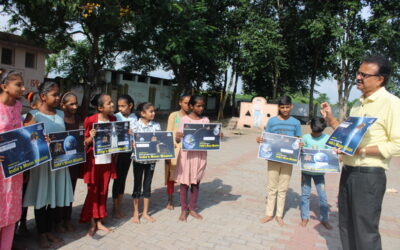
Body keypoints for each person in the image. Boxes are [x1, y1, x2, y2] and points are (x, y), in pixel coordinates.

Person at [320, 55, 400, 250]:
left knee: (365, 232)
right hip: (348, 172)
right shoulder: (358, 104)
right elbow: (347, 137)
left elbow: (397, 144)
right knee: (345, 225)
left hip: (369, 176)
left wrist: (361, 150)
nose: (358, 77)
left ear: (380, 79)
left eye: (364, 74)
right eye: (358, 72)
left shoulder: (392, 103)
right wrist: (331, 119)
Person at [23, 81, 74, 248]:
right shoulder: (34, 115)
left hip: (59, 163)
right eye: (55, 94)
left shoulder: (60, 113)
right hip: (42, 165)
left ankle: (49, 230)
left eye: (59, 94)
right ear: (43, 97)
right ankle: (41, 233)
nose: (58, 97)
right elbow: (27, 139)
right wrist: (40, 139)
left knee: (53, 196)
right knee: (42, 197)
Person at [257, 95, 301, 226]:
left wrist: (300, 144)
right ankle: (269, 214)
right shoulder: (272, 122)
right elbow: (266, 138)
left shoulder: (296, 123)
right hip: (273, 159)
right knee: (272, 187)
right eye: (282, 107)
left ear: (291, 106)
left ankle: (279, 215)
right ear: (278, 107)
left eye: (287, 107)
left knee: (283, 189)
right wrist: (259, 140)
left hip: (287, 160)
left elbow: (298, 139)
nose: (285, 109)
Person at [174, 95, 218, 222]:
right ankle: (184, 209)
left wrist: (217, 135)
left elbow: (209, 137)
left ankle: (192, 208)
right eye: (198, 105)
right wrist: (177, 137)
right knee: (184, 183)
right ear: (191, 106)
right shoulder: (184, 120)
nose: (201, 108)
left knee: (196, 182)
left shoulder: (205, 120)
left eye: (203, 105)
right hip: (187, 155)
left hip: (200, 155)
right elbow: (178, 139)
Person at [80, 94, 117, 236]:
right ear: (100, 108)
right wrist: (91, 137)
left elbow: (118, 140)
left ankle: (100, 221)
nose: (112, 105)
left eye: (112, 102)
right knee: (93, 192)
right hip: (94, 162)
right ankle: (91, 223)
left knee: (104, 191)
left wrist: (126, 135)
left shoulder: (114, 119)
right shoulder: (90, 120)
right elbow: (83, 142)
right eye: (109, 103)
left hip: (107, 161)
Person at [0, 70, 25, 250]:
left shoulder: (18, 107)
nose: (23, 88)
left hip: (15, 169)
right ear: (4, 86)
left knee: (11, 211)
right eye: (18, 84)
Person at [299, 117, 332, 230]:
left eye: (319, 132)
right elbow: (300, 152)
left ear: (323, 129)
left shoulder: (327, 138)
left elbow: (330, 154)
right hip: (306, 172)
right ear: (311, 127)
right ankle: (305, 217)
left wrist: (336, 155)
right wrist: (300, 148)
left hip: (319, 173)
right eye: (314, 132)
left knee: (322, 196)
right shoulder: (305, 137)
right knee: (305, 195)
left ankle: (324, 219)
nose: (316, 134)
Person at [131, 102, 161, 224]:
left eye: (154, 111)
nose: (153, 113)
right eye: (151, 111)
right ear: (142, 113)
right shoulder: (134, 125)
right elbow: (130, 140)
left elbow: (159, 141)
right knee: (137, 184)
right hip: (138, 159)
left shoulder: (156, 126)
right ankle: (135, 212)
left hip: (151, 160)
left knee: (147, 185)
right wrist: (132, 143)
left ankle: (145, 213)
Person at [58, 91, 82, 232]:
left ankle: (67, 219)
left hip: (74, 162)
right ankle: (58, 221)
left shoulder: (78, 119)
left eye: (76, 103)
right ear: (63, 105)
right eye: (71, 104)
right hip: (61, 163)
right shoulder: (59, 119)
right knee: (60, 191)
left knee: (70, 192)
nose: (74, 107)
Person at [112, 95, 137, 218]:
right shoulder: (116, 117)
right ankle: (114, 207)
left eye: (123, 106)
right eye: (119, 106)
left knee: (123, 178)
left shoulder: (134, 118)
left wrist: (134, 134)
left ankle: (119, 204)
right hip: (117, 153)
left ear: (130, 106)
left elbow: (138, 134)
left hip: (128, 152)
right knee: (117, 178)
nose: (120, 108)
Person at [165, 94, 190, 210]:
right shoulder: (174, 116)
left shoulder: (193, 117)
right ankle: (170, 200)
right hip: (174, 150)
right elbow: (168, 132)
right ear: (180, 102)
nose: (188, 106)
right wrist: (172, 142)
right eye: (185, 103)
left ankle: (183, 200)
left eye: (190, 103)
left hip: (188, 152)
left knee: (185, 176)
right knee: (171, 176)